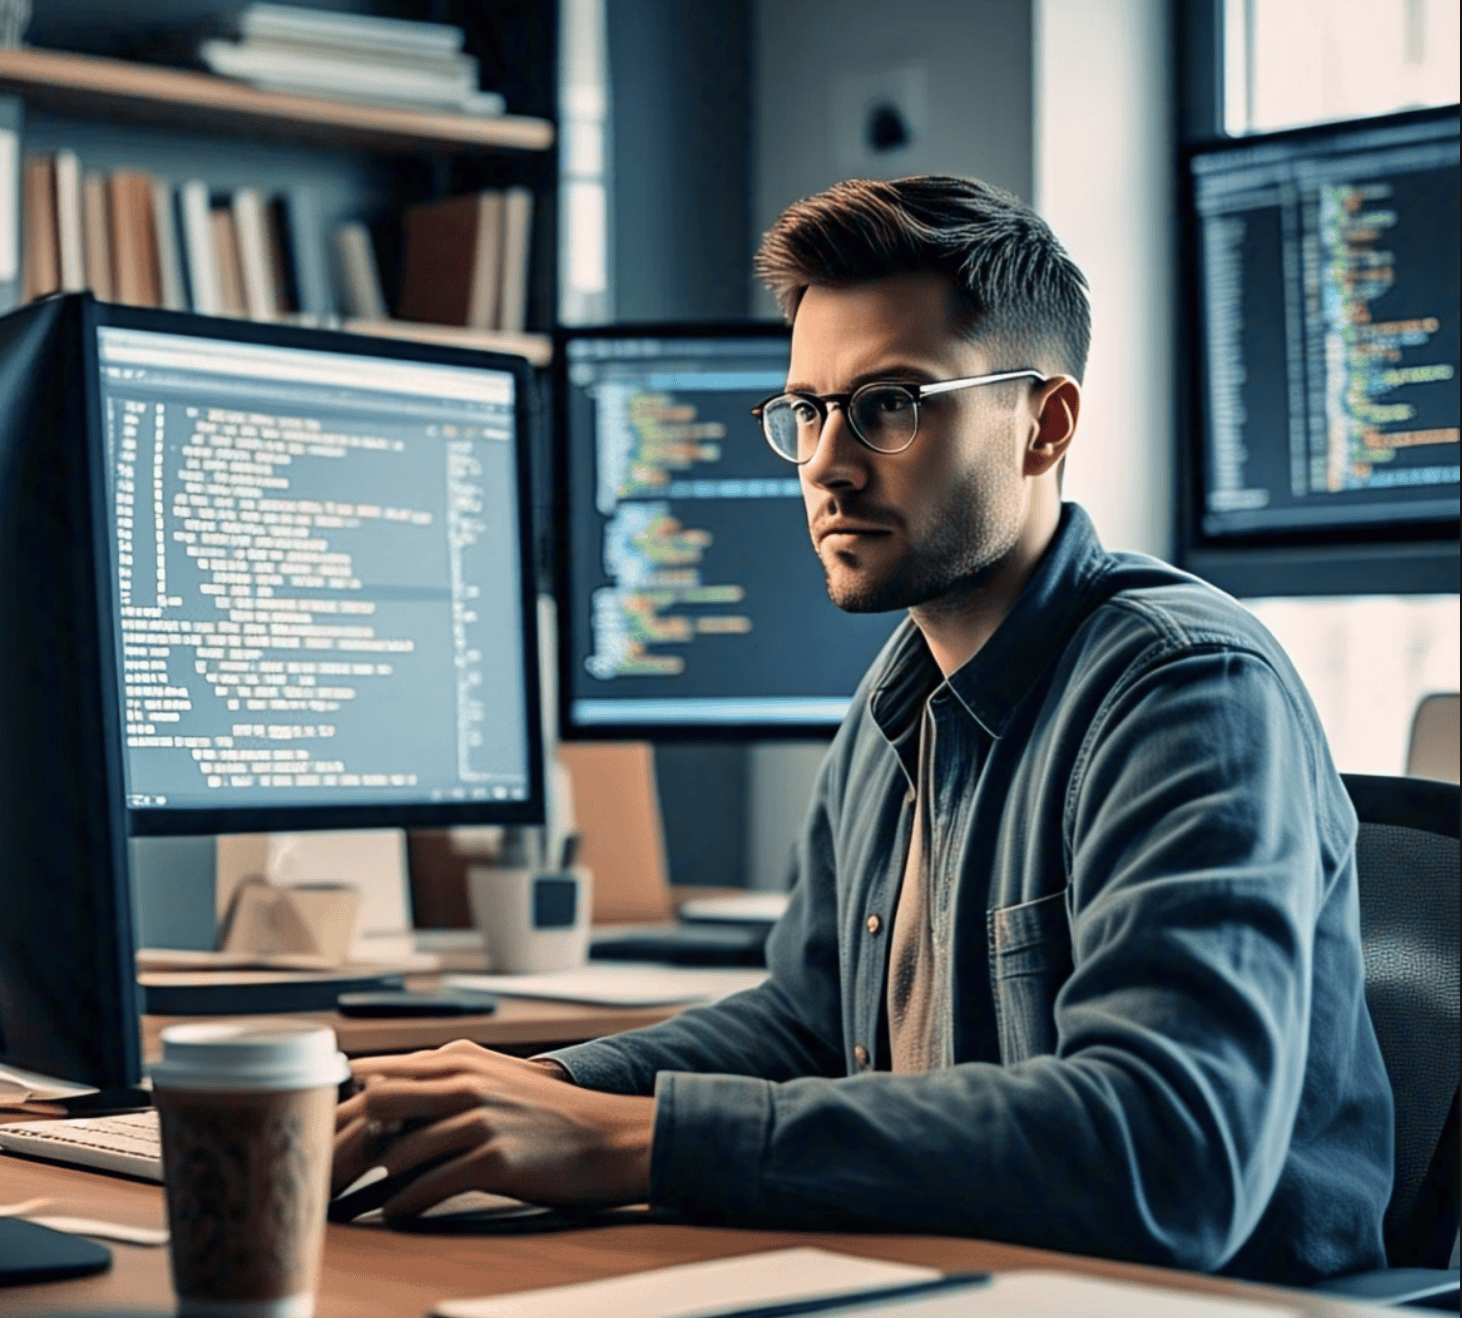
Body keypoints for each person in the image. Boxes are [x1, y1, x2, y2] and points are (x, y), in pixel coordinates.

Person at [333, 175, 1394, 1286]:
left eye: (891, 403)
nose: (828, 464)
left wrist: (636, 1141)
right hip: (968, 1280)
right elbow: (806, 1028)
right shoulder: (899, 692)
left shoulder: (1185, 690)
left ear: (1044, 424)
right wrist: (543, 1089)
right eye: (808, 410)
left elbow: (1174, 1154)